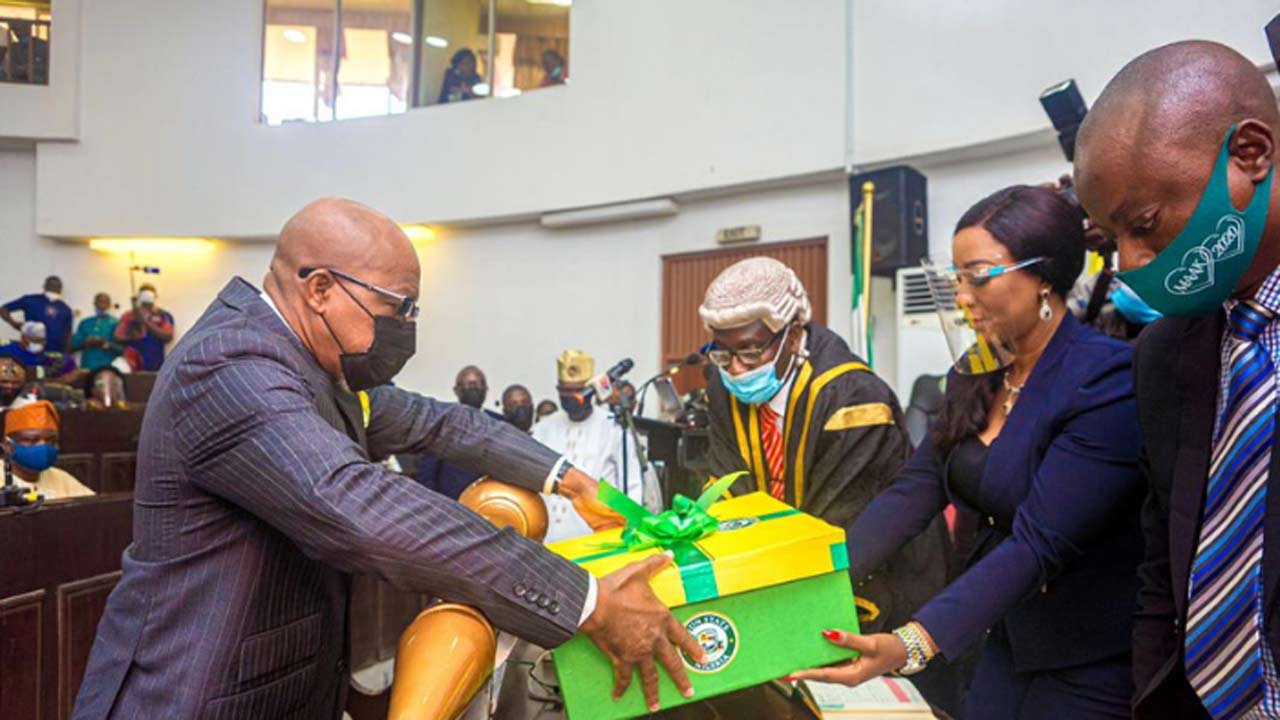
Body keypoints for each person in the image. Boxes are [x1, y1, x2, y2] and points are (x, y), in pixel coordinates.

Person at [72, 198, 702, 719]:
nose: (406, 326)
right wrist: (587, 601)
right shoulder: (232, 366)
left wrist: (567, 479)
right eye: (397, 307)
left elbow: (439, 422)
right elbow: (358, 505)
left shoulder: (315, 367)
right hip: (196, 692)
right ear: (321, 289)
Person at [791, 186, 1145, 719]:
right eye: (956, 278)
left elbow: (1039, 542)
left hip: (1087, 654)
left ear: (1043, 276)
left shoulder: (1106, 379)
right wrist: (823, 580)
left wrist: (912, 642)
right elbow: (915, 488)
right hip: (1000, 633)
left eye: (978, 277)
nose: (961, 296)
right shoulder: (977, 372)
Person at [1074, 41, 1280, 720]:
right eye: (1112, 240)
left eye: (1143, 225)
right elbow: (1166, 563)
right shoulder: (1163, 356)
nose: (1132, 263)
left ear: (1250, 154)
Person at [700, 257, 951, 633]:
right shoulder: (724, 388)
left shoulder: (853, 398)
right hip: (777, 580)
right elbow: (727, 487)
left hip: (873, 582)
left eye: (750, 351)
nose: (735, 368)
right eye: (723, 353)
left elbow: (837, 522)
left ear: (793, 334)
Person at [533, 350, 647, 542]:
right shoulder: (543, 429)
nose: (572, 397)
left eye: (578, 391)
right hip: (549, 535)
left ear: (591, 390)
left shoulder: (613, 427)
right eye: (565, 391)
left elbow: (632, 486)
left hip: (598, 538)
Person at [2, 397, 94, 499]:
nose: (43, 446)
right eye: (33, 440)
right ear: (8, 445)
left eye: (51, 440)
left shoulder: (60, 478)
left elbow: (94, 505)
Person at [1, 275, 74, 353]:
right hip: (31, 351)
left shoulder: (66, 309)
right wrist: (14, 324)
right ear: (44, 286)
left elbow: (68, 333)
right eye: (52, 285)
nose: (54, 288)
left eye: (57, 286)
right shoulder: (30, 300)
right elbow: (3, 310)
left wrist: (66, 354)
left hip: (54, 353)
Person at [114, 284, 175, 371]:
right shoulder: (129, 315)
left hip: (154, 362)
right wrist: (131, 337)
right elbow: (118, 337)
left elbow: (168, 336)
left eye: (149, 293)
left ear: (155, 296)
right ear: (139, 296)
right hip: (131, 362)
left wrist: (145, 321)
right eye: (144, 293)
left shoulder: (163, 315)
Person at [0, 321, 79, 383]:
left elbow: (73, 373)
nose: (40, 344)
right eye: (35, 340)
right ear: (23, 338)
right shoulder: (5, 350)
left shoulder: (49, 357)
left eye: (42, 341)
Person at [71, 293, 123, 373]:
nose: (102, 306)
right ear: (94, 304)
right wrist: (86, 343)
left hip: (109, 369)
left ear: (109, 305)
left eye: (105, 303)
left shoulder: (117, 323)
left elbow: (122, 349)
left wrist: (106, 343)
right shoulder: (85, 323)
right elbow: (74, 345)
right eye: (99, 302)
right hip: (87, 367)